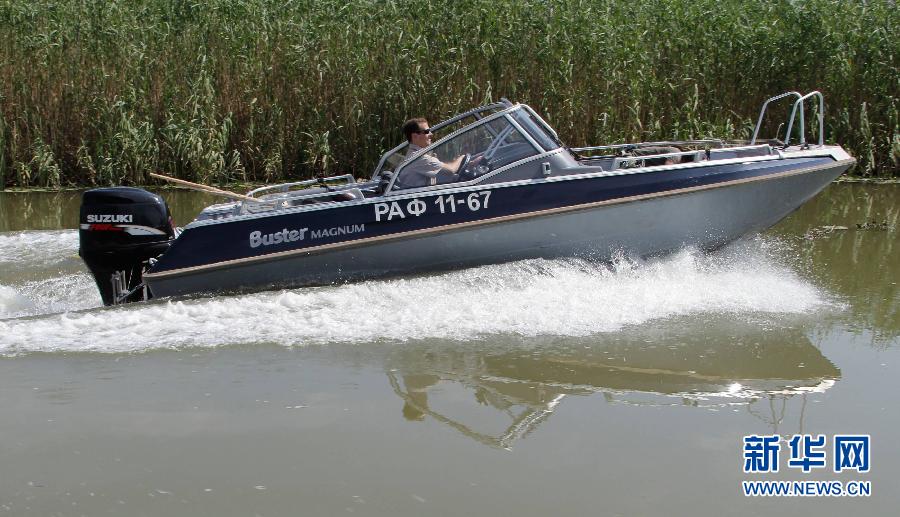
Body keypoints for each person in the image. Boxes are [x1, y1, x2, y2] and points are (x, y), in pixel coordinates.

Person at [398, 118, 465, 188]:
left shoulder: (414, 155)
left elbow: (437, 177)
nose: (431, 134)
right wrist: (461, 158)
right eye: (427, 131)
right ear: (415, 136)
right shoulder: (419, 158)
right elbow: (451, 170)